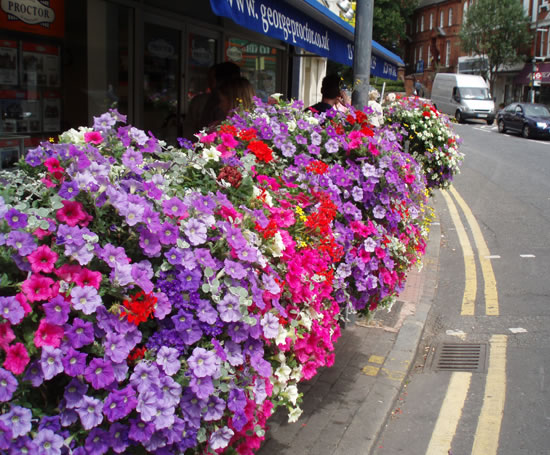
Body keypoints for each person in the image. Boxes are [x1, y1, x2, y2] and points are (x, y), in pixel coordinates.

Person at [184, 61, 241, 138]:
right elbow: (189, 132)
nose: (209, 84)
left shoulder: (243, 110)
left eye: (211, 80)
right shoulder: (200, 102)